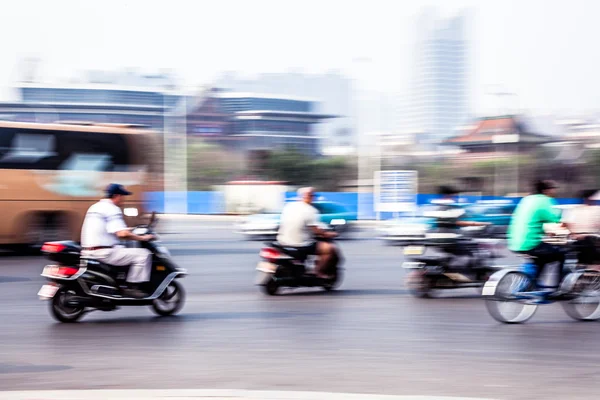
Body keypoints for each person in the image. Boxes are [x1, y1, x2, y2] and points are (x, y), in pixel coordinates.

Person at [81, 184, 154, 298]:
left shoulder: (95, 207)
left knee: (124, 250)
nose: (123, 199)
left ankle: (119, 282)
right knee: (143, 254)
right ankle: (132, 287)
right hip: (104, 252)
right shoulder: (112, 209)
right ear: (116, 196)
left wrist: (130, 229)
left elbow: (110, 228)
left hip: (88, 251)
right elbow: (122, 234)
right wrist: (143, 238)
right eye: (122, 196)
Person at [508, 179, 563, 291]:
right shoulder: (545, 200)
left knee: (542, 256)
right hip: (529, 243)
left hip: (514, 241)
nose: (554, 191)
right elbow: (555, 218)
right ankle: (559, 287)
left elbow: (532, 220)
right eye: (553, 188)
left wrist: (545, 231)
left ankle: (533, 284)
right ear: (546, 190)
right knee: (560, 255)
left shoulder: (527, 199)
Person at [276, 187, 338, 279]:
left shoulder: (289, 206)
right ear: (310, 197)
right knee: (329, 249)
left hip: (282, 241)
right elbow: (316, 230)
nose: (312, 197)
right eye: (312, 195)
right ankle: (319, 272)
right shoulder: (310, 210)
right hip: (301, 244)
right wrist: (327, 234)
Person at [562, 189, 600, 265]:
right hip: (590, 241)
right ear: (590, 198)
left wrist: (574, 234)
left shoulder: (574, 210)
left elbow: (565, 223)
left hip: (577, 241)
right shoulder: (595, 210)